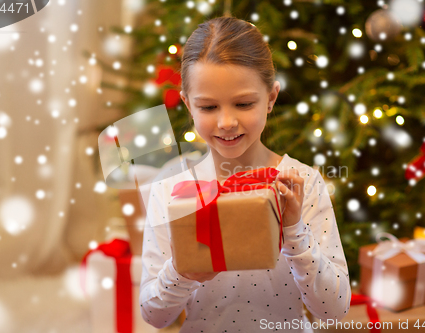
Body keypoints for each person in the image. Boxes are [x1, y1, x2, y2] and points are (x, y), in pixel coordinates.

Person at [139, 16, 351, 332]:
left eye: (243, 103)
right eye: (208, 107)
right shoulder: (172, 189)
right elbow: (154, 316)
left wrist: (293, 232)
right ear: (188, 105)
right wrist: (183, 272)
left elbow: (334, 310)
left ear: (271, 98)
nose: (226, 121)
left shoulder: (300, 182)